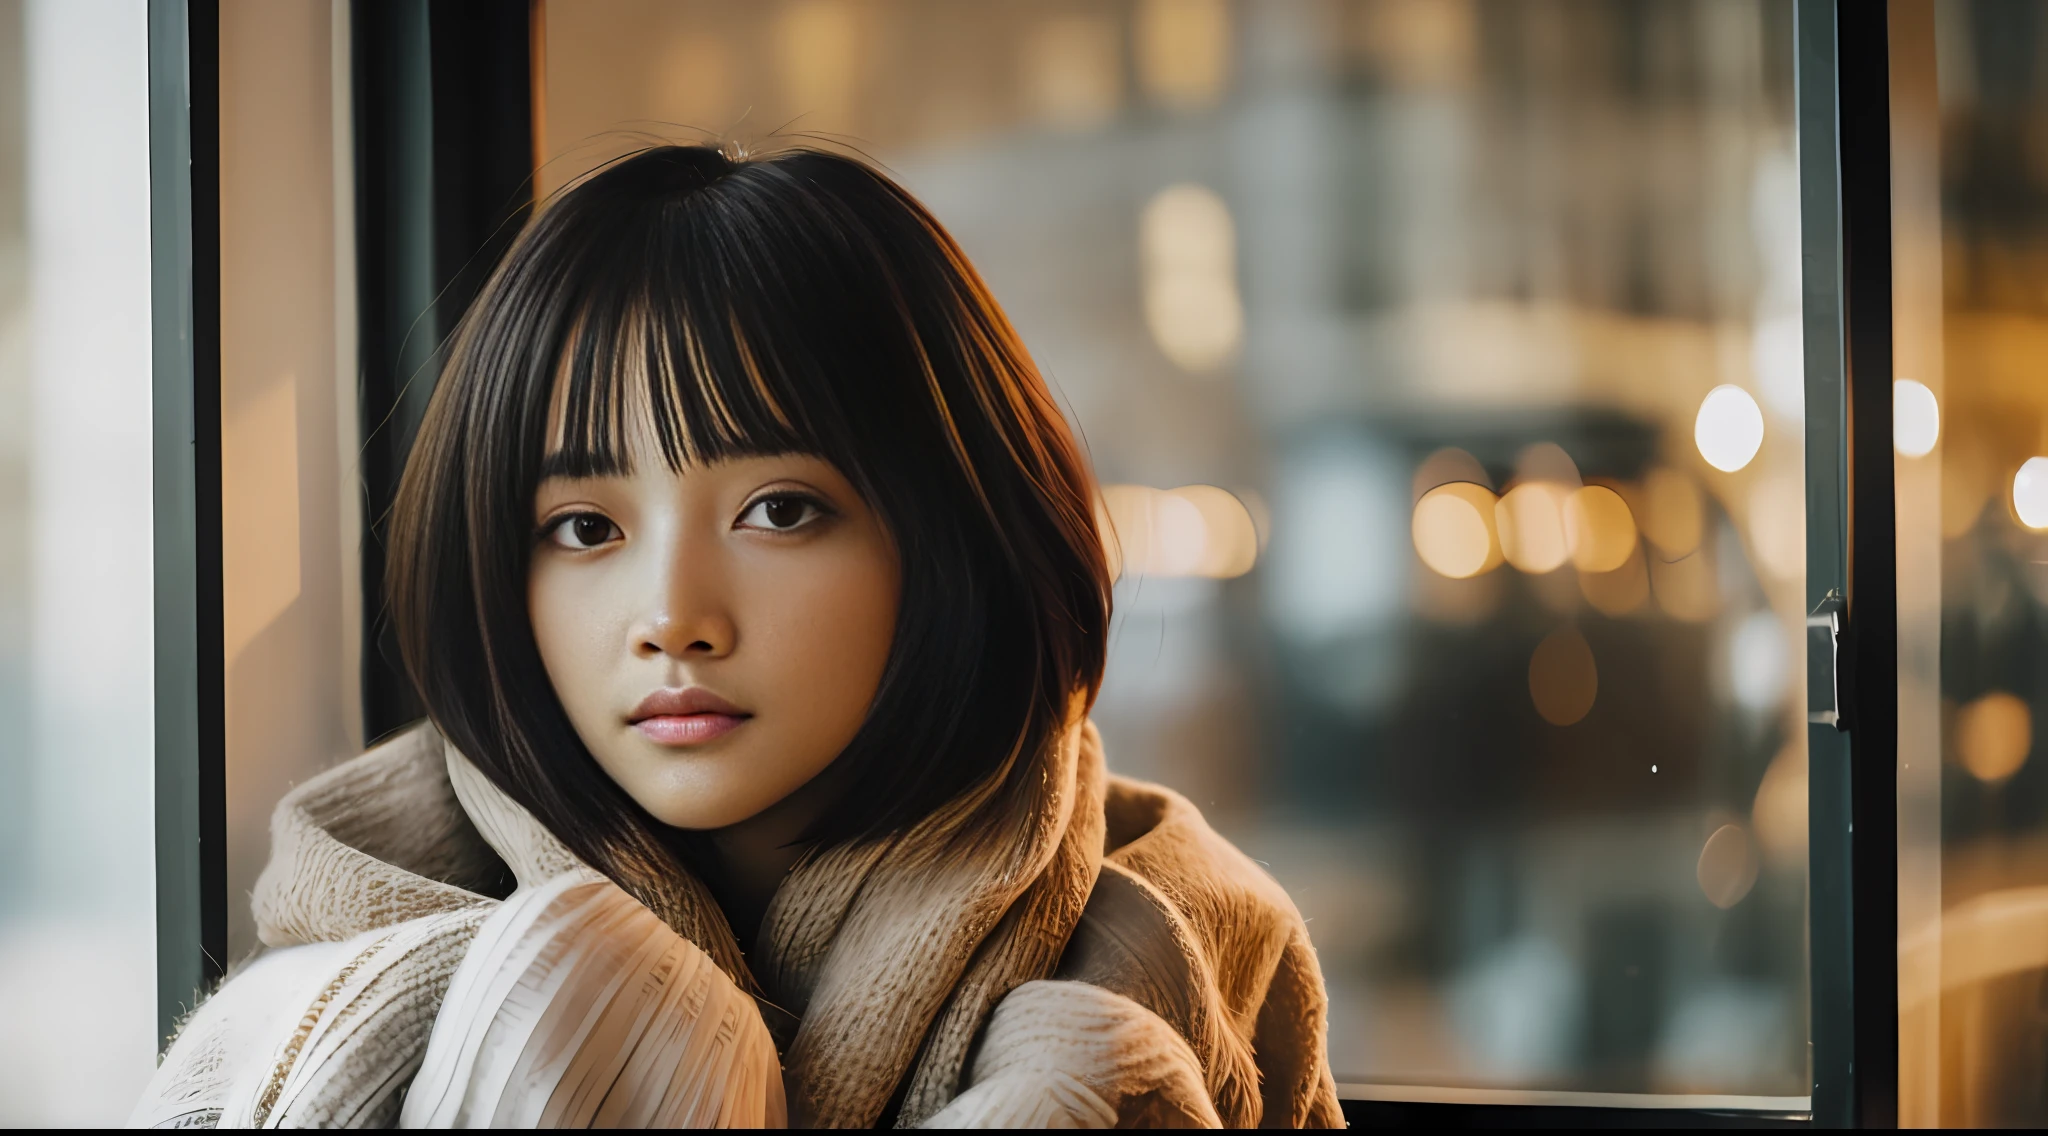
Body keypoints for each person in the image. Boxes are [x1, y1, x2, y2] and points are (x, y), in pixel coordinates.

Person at [131, 143, 1342, 1129]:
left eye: (778, 510)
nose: (672, 618)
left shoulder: (1182, 942)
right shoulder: (364, 930)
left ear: (950, 532)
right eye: (583, 525)